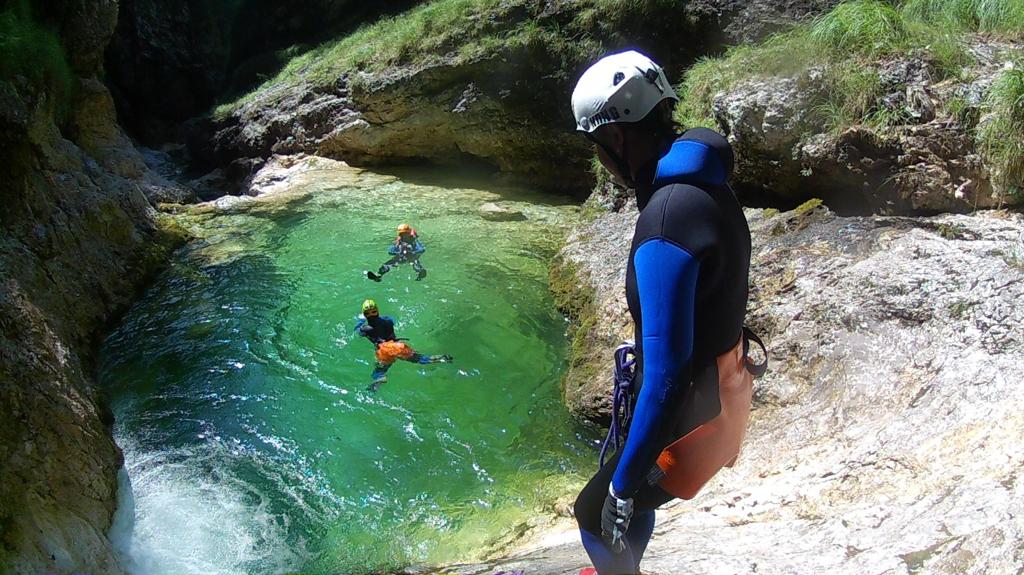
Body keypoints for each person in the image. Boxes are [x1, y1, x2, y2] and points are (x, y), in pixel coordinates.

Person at [568, 51, 767, 575]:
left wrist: (622, 485)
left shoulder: (665, 220)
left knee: (596, 511)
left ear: (616, 137)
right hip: (724, 396)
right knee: (628, 497)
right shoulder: (706, 184)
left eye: (599, 147)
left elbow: (666, 376)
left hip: (692, 419)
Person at [354, 299, 451, 392]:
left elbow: (357, 332)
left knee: (379, 372)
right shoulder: (388, 320)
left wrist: (361, 320)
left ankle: (381, 379)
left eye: (371, 312)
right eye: (369, 313)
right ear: (378, 311)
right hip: (397, 346)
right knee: (421, 359)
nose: (371, 315)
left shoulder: (365, 329)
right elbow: (393, 319)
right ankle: (443, 358)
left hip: (383, 351)